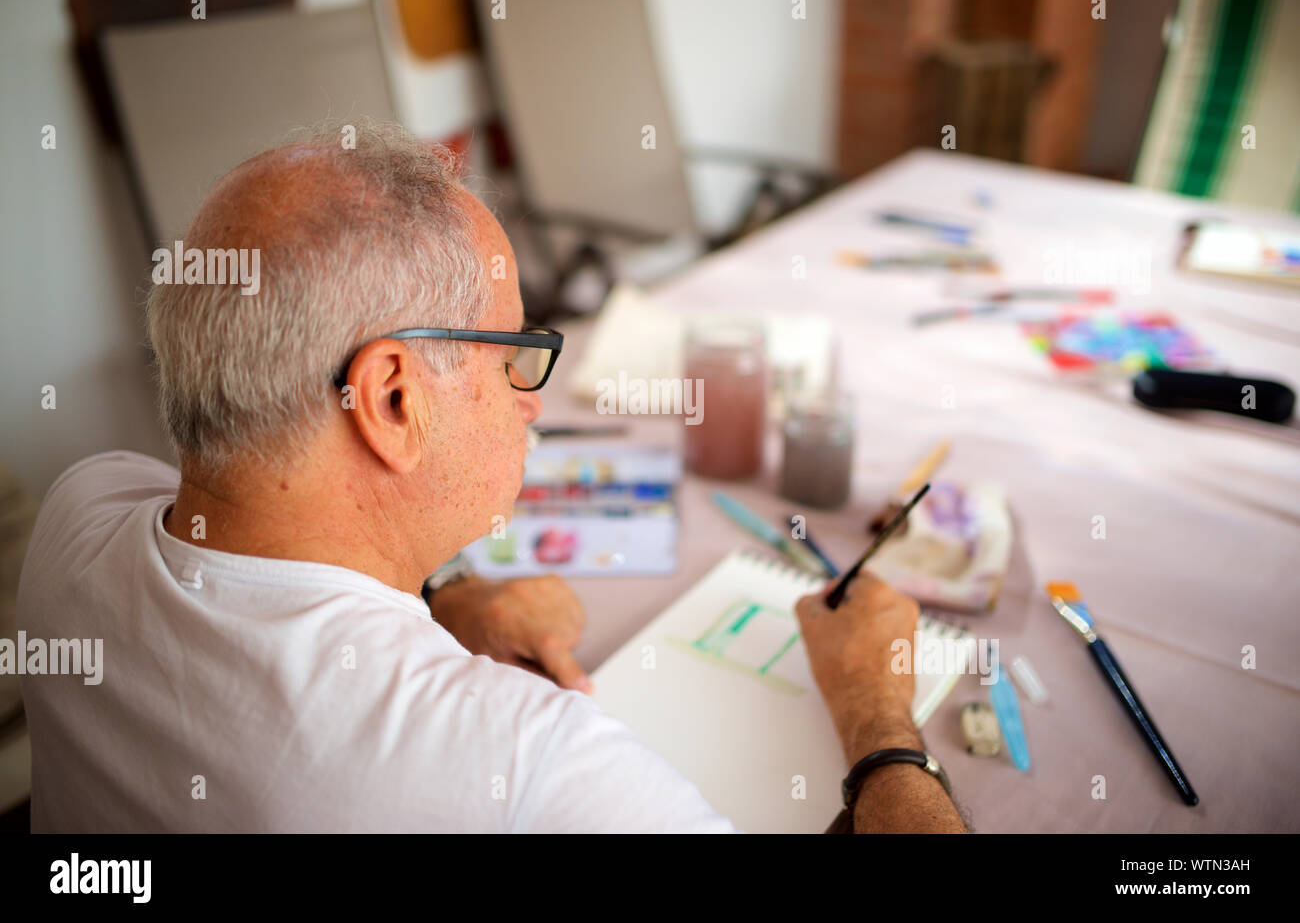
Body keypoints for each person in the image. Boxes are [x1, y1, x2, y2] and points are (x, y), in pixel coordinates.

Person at [16, 120, 964, 833]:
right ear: (390, 399)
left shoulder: (79, 513)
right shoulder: (528, 766)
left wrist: (445, 592)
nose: (532, 402)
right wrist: (879, 710)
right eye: (511, 356)